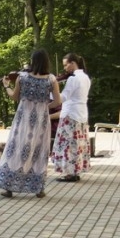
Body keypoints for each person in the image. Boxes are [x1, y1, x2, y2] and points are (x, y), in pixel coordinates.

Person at [0, 49, 62, 198]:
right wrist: (43, 107)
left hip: (23, 118)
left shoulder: (22, 77)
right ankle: (38, 188)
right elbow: (57, 101)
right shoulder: (51, 79)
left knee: (16, 148)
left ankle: (9, 187)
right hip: (41, 121)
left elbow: (14, 96)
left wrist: (6, 85)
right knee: (39, 150)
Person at [51, 53, 91, 182]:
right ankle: (75, 171)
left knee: (67, 144)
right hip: (81, 114)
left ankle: (69, 174)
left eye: (66, 65)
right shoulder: (85, 77)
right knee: (77, 145)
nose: (64, 68)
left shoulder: (73, 78)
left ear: (73, 63)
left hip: (70, 114)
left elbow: (63, 98)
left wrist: (50, 95)